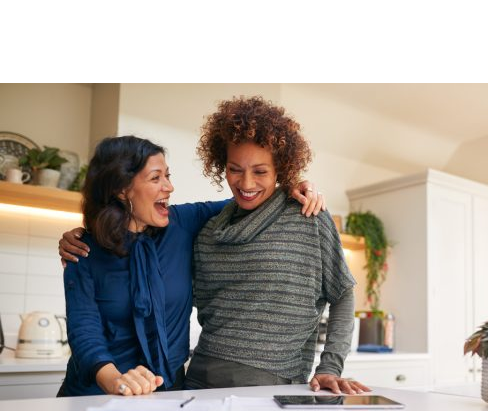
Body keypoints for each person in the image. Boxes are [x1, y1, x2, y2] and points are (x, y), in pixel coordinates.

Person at [58, 135, 322, 397]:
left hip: (167, 394)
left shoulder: (181, 224)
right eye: (156, 178)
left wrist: (291, 188)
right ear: (121, 189)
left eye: (167, 176)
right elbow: (84, 330)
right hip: (99, 393)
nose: (169, 187)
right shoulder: (83, 250)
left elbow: (249, 198)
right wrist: (115, 381)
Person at [185, 96, 370, 395]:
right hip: (197, 377)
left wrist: (330, 367)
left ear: (281, 169)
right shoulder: (208, 232)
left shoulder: (307, 216)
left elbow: (342, 295)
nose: (245, 183)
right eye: (235, 169)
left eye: (260, 171)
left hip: (272, 383)